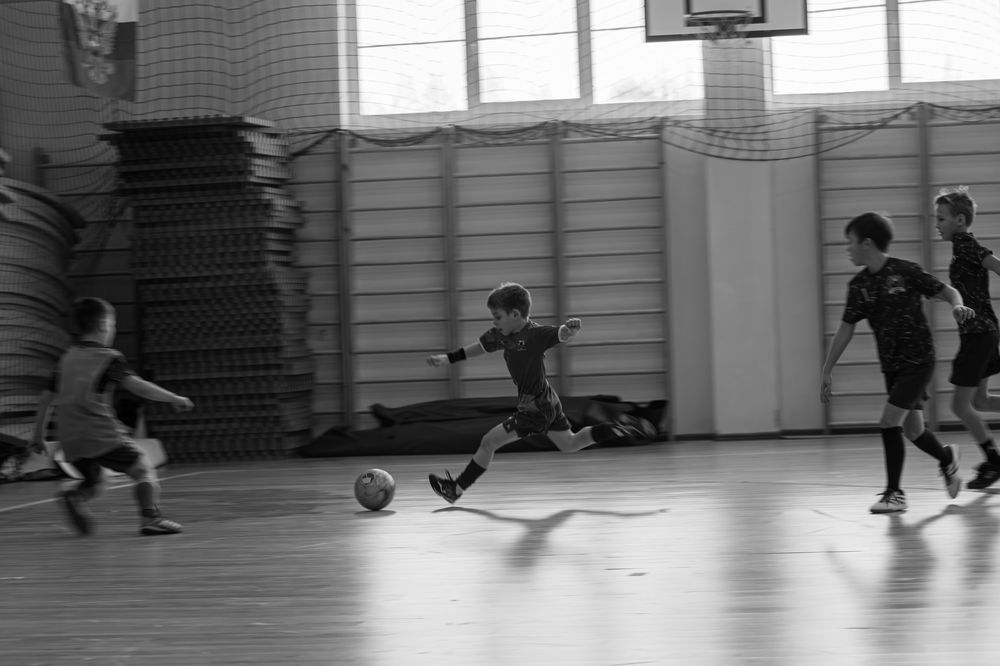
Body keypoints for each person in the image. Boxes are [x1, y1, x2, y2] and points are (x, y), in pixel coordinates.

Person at [425, 282, 656, 504]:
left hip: (535, 408)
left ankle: (455, 489)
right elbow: (480, 347)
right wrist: (448, 358)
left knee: (488, 442)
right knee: (570, 443)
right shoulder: (501, 334)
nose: (494, 321)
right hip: (548, 401)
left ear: (515, 314)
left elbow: (560, 333)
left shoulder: (534, 335)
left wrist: (569, 329)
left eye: (497, 316)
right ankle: (615, 428)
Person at [821, 212, 974, 514]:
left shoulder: (905, 271)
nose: (847, 249)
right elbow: (845, 329)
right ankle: (947, 458)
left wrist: (957, 306)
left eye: (850, 242)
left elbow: (948, 291)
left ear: (867, 243)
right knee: (913, 431)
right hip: (891, 366)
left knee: (888, 422)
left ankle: (895, 494)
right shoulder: (859, 286)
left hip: (918, 360)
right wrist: (827, 369)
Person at [30, 297, 193, 536]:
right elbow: (138, 386)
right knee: (142, 468)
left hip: (70, 441)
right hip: (100, 434)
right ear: (104, 325)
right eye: (113, 325)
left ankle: (75, 496)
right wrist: (174, 398)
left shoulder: (66, 358)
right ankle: (151, 517)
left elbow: (46, 398)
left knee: (97, 481)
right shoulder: (108, 358)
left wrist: (38, 436)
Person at [935, 186, 1000, 489]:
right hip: (982, 333)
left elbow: (995, 264)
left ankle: (994, 461)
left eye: (941, 219)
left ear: (959, 220)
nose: (937, 224)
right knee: (980, 401)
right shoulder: (961, 247)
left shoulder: (967, 246)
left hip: (978, 334)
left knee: (960, 406)